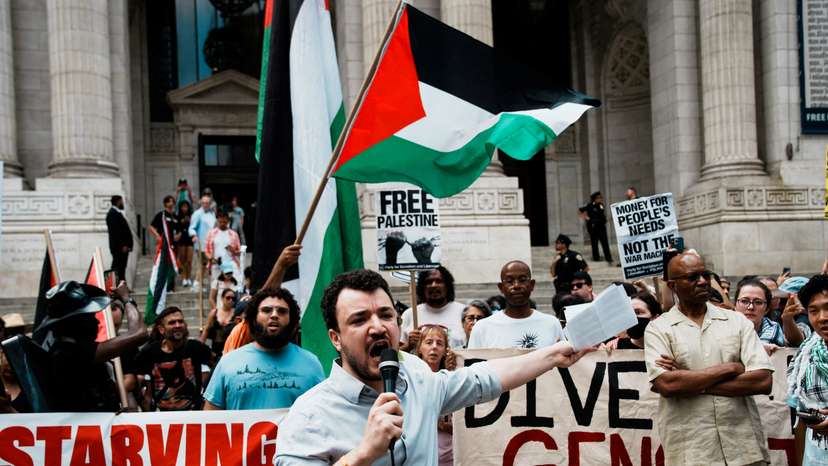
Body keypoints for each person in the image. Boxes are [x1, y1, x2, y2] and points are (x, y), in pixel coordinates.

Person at [274, 269, 591, 465]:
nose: (378, 328)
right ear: (336, 338)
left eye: (386, 316)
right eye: (359, 319)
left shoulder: (418, 379)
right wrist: (362, 455)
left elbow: (482, 379)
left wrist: (554, 354)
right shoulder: (308, 417)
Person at [644, 252, 773, 465]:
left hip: (743, 448)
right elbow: (667, 384)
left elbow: (762, 381)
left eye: (705, 274)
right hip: (692, 451)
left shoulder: (736, 322)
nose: (703, 281)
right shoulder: (658, 329)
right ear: (673, 285)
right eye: (692, 277)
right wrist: (731, 368)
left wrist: (690, 383)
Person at [204, 288, 324, 410]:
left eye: (282, 311)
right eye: (266, 310)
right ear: (253, 318)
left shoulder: (311, 364)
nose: (274, 315)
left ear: (292, 320)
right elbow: (210, 420)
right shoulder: (227, 363)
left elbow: (322, 415)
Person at [38, 280, 148, 412]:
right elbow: (139, 334)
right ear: (74, 322)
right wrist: (126, 299)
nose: (96, 321)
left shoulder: (70, 348)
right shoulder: (69, 353)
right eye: (90, 317)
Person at [468, 261, 565, 349]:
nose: (516, 286)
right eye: (509, 281)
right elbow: (472, 366)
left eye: (522, 280)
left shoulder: (552, 324)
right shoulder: (482, 328)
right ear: (501, 287)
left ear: (532, 285)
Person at [133, 307, 214, 411]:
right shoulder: (149, 352)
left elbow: (218, 366)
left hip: (193, 414)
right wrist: (142, 401)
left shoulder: (196, 347)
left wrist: (208, 396)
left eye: (180, 321)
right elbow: (136, 380)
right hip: (163, 418)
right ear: (161, 329)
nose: (178, 325)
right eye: (172, 323)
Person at [786, 274, 828, 463]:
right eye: (814, 311)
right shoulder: (807, 353)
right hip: (817, 455)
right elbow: (802, 416)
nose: (822, 318)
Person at [400, 266, 466, 351]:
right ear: (422, 287)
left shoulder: (463, 312)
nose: (433, 285)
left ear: (447, 285)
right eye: (429, 282)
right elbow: (397, 353)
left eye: (438, 281)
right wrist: (408, 345)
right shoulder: (410, 314)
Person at [734, 278, 808, 354]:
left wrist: (787, 320)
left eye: (758, 302)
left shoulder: (773, 328)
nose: (751, 307)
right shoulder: (724, 325)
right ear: (735, 305)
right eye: (744, 301)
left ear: (766, 309)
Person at [415, 325, 453, 466]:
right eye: (429, 342)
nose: (434, 347)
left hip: (448, 457)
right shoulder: (409, 381)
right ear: (419, 348)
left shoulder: (452, 379)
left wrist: (451, 427)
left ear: (445, 351)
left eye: (440, 343)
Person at [205, 210, 241, 283]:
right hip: (216, 264)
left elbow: (239, 251)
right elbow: (207, 250)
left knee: (231, 286)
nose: (222, 224)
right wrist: (210, 258)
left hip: (230, 264)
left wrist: (233, 250)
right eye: (220, 222)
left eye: (224, 222)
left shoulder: (233, 234)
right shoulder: (211, 233)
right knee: (216, 286)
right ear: (217, 220)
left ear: (228, 221)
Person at [189, 194, 217, 288]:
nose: (206, 204)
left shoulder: (212, 213)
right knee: (202, 264)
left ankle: (201, 283)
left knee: (207, 265)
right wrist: (193, 235)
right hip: (201, 244)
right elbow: (192, 228)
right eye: (204, 203)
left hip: (211, 244)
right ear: (201, 203)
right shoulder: (197, 214)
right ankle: (196, 284)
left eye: (207, 203)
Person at [200, 288, 237, 357]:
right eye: (228, 298)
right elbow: (206, 330)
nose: (231, 300)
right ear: (222, 298)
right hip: (216, 348)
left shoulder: (236, 313)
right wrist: (199, 347)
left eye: (233, 298)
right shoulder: (214, 312)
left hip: (231, 348)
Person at [578, 191, 613, 264]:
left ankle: (608, 257)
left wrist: (605, 219)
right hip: (593, 227)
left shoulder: (601, 205)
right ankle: (596, 257)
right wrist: (585, 217)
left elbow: (601, 215)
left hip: (601, 226)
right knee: (594, 243)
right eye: (599, 198)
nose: (600, 199)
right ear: (594, 199)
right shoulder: (589, 205)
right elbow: (579, 210)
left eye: (601, 198)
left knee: (605, 242)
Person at [106, 195, 132, 284]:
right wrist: (123, 245)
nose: (122, 203)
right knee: (117, 267)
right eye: (121, 201)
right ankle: (113, 285)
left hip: (122, 247)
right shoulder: (112, 214)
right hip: (119, 248)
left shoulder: (117, 213)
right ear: (117, 202)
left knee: (121, 268)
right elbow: (116, 233)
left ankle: (122, 286)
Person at [176, 200, 195, 287]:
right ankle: (184, 278)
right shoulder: (177, 216)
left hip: (189, 239)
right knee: (182, 260)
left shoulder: (192, 216)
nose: (185, 208)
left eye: (186, 207)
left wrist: (189, 220)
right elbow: (176, 228)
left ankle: (188, 277)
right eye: (183, 207)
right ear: (180, 208)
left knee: (189, 260)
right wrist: (182, 221)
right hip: (182, 239)